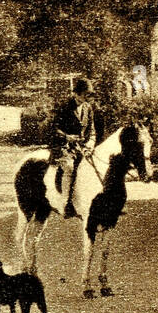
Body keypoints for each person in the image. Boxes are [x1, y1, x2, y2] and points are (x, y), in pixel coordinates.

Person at [50, 78, 96, 216]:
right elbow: (54, 128)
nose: (85, 97)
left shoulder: (88, 108)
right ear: (76, 94)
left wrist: (90, 144)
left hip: (82, 147)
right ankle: (65, 203)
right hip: (64, 145)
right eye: (83, 94)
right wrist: (67, 137)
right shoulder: (64, 106)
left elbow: (92, 130)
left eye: (88, 94)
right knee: (69, 167)